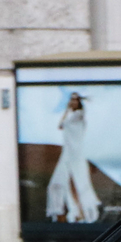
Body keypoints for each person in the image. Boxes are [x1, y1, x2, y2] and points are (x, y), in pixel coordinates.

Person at [46, 92, 99, 223]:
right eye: (71, 100)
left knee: (79, 183)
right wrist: (67, 109)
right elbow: (60, 125)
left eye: (75, 100)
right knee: (58, 183)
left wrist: (82, 100)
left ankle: (83, 213)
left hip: (77, 153)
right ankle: (68, 212)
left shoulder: (80, 115)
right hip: (68, 152)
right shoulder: (71, 116)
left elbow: (84, 116)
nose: (72, 102)